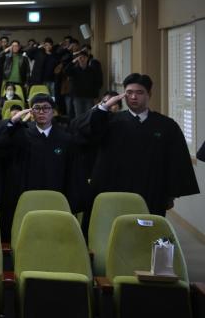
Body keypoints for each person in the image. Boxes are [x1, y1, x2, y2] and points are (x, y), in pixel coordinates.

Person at [75, 73, 199, 216]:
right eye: (129, 93)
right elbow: (79, 129)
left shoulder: (166, 125)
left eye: (139, 92)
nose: (134, 97)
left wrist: (170, 194)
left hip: (151, 189)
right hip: (113, 189)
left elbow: (175, 160)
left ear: (149, 94)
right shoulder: (110, 122)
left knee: (148, 225)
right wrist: (104, 106)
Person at [0, 93, 85, 238]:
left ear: (53, 112)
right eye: (37, 108)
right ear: (31, 112)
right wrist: (12, 121)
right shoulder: (21, 135)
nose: (41, 112)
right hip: (26, 197)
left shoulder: (65, 139)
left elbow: (72, 173)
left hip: (56, 197)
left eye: (46, 108)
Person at [64, 50, 103, 117]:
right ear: (78, 59)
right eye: (80, 58)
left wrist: (96, 96)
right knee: (79, 115)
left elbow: (96, 83)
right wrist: (73, 61)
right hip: (77, 96)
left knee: (88, 115)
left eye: (84, 57)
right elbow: (66, 71)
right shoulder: (74, 70)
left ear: (87, 58)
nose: (82, 59)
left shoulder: (92, 70)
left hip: (89, 96)